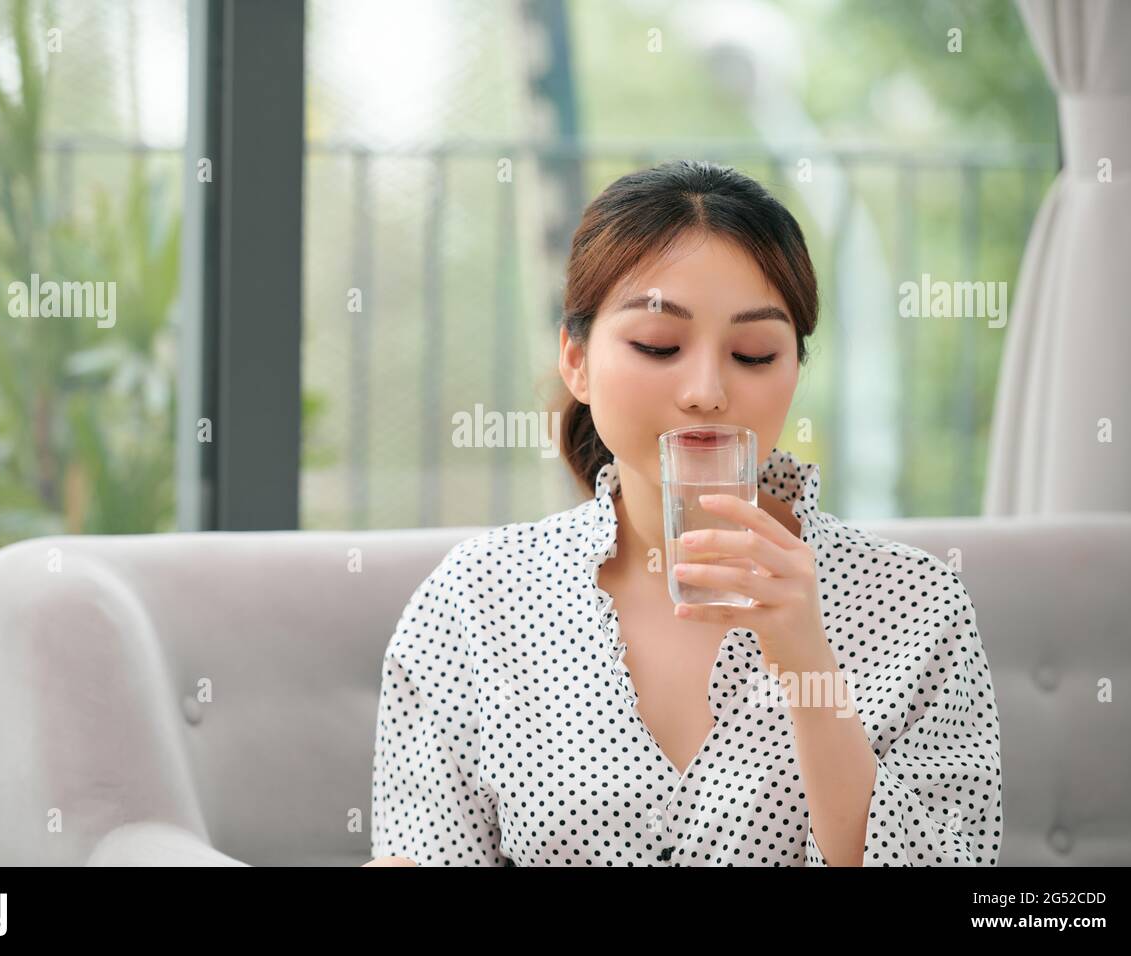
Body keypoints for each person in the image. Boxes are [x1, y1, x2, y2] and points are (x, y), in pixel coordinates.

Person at [365, 160, 1002, 866]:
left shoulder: (918, 606)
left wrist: (807, 666)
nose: (705, 391)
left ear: (795, 369)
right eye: (658, 346)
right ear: (575, 360)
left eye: (754, 354)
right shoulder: (478, 598)